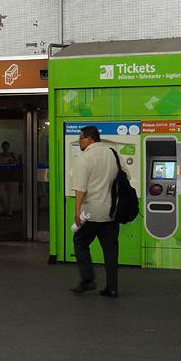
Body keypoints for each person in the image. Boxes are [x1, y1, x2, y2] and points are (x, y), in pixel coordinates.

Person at [70, 125, 120, 297]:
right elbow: (124, 177)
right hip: (111, 211)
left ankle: (87, 279)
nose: (79, 141)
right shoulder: (112, 153)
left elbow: (80, 188)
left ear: (90, 138)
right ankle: (112, 287)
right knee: (111, 250)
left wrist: (77, 211)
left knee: (80, 241)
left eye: (81, 138)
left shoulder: (84, 158)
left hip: (91, 211)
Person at [0, 141, 20, 218]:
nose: (5, 148)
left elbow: (17, 163)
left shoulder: (12, 154)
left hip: (11, 176)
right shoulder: (0, 155)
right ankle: (6, 210)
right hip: (2, 176)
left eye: (6, 146)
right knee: (1, 194)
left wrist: (12, 162)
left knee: (10, 195)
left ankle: (9, 212)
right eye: (4, 146)